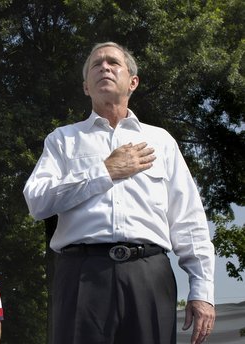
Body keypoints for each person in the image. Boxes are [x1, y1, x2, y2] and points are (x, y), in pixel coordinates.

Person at [23, 41, 215, 344]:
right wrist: (105, 172)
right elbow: (37, 201)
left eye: (113, 62)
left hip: (149, 273)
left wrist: (202, 291)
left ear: (133, 81)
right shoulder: (63, 140)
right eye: (95, 65)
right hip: (82, 274)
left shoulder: (161, 141)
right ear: (86, 86)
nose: (104, 67)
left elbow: (188, 219)